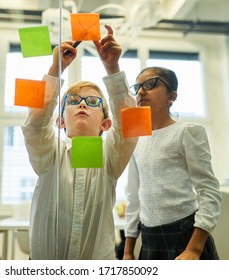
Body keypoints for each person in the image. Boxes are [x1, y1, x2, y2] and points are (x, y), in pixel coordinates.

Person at [22, 25, 138, 259]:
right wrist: (56, 70)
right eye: (74, 101)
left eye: (93, 102)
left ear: (106, 124)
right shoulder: (49, 154)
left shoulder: (110, 159)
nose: (83, 104)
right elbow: (34, 124)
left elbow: (130, 126)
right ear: (60, 122)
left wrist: (112, 68)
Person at [123, 66, 221, 260]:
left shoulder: (187, 131)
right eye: (138, 87)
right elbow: (134, 195)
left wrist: (194, 249)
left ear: (172, 96)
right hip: (149, 238)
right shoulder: (136, 140)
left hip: (186, 236)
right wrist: (127, 251)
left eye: (151, 84)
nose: (141, 91)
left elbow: (209, 190)